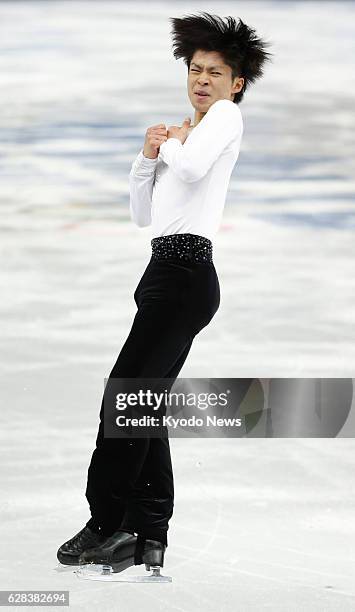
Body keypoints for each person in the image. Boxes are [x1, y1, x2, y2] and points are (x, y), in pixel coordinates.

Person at [57, 10, 272, 574]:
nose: (202, 80)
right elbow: (142, 214)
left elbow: (196, 169)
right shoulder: (191, 129)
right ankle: (147, 533)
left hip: (186, 276)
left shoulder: (223, 118)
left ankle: (107, 524)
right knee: (141, 403)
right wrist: (146, 157)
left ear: (236, 83)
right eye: (195, 70)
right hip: (162, 275)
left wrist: (176, 146)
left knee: (122, 398)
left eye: (214, 72)